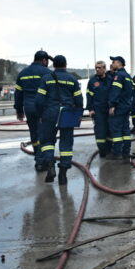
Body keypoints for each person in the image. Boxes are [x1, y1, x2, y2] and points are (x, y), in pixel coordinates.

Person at [36, 55, 83, 184]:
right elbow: (79, 100)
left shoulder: (46, 79)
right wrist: (78, 114)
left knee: (47, 141)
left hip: (50, 113)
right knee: (66, 144)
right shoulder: (72, 79)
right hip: (66, 113)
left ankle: (50, 163)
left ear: (53, 65)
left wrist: (41, 114)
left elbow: (39, 100)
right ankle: (63, 174)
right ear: (65, 64)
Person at [14, 50, 52, 171]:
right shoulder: (47, 72)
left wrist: (19, 110)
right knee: (44, 134)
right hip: (43, 108)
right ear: (44, 60)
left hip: (29, 108)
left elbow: (18, 94)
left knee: (34, 134)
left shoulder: (23, 73)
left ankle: (38, 157)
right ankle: (41, 162)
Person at [107, 55, 134, 160]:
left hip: (119, 107)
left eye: (114, 62)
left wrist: (112, 105)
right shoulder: (127, 76)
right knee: (126, 130)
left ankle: (116, 152)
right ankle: (126, 152)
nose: (112, 64)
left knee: (116, 130)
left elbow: (115, 91)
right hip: (127, 106)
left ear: (119, 63)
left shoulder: (119, 76)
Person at [86, 61, 112, 157]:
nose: (97, 69)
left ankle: (110, 149)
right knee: (100, 131)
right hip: (98, 110)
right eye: (96, 68)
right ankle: (102, 150)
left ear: (104, 68)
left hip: (109, 109)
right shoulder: (92, 81)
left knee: (110, 130)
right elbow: (89, 95)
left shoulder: (110, 79)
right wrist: (90, 109)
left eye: (99, 67)